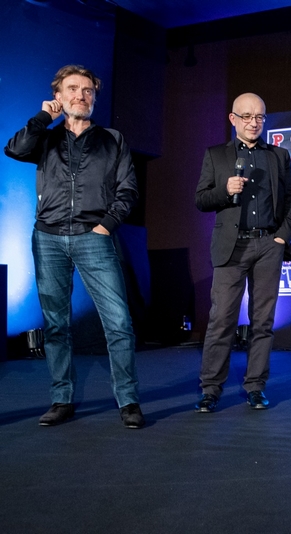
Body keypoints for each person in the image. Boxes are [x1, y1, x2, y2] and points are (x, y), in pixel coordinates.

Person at [4, 65, 144, 428]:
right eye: (72, 89)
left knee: (118, 322)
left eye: (87, 90)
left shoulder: (112, 139)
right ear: (59, 96)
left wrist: (105, 226)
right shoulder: (45, 138)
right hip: (47, 237)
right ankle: (62, 398)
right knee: (55, 324)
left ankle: (128, 400)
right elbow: (14, 149)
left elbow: (128, 190)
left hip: (93, 237)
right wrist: (41, 117)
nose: (81, 96)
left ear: (94, 98)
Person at [194, 93, 291, 413]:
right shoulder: (216, 155)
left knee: (263, 321)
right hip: (232, 246)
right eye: (247, 116)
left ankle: (255, 386)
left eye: (260, 117)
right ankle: (211, 389)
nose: (254, 122)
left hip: (268, 245)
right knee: (221, 319)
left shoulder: (278, 156)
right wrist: (225, 191)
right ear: (233, 119)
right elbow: (201, 200)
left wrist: (281, 237)